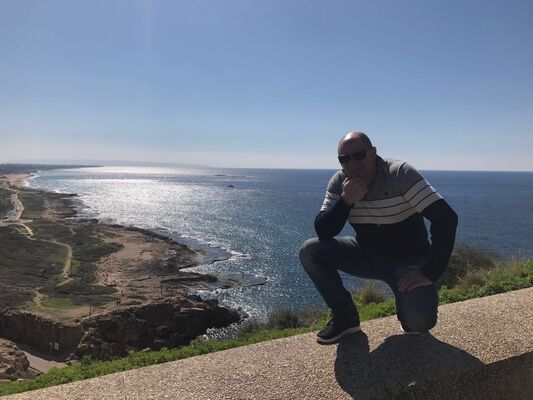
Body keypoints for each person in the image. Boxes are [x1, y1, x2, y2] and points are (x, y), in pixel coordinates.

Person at [299, 131, 458, 344]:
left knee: (419, 323)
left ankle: (408, 314)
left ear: (373, 153)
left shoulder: (400, 174)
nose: (352, 163)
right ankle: (346, 318)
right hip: (366, 254)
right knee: (310, 251)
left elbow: (446, 219)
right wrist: (346, 201)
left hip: (408, 261)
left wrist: (431, 272)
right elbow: (324, 230)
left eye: (359, 155)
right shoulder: (340, 182)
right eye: (344, 159)